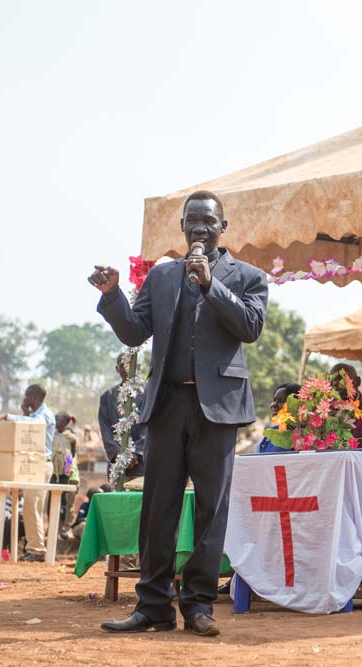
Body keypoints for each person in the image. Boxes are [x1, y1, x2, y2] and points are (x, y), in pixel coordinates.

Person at [89, 190, 268, 637]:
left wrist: (210, 285)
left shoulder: (248, 277)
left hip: (219, 409)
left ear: (223, 227)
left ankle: (199, 606)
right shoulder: (163, 276)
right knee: (158, 508)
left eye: (209, 221)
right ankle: (153, 606)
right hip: (168, 404)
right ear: (182, 226)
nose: (200, 228)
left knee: (211, 510)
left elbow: (250, 327)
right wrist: (113, 297)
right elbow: (135, 332)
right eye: (193, 220)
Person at [0, 384, 55, 561]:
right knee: (30, 508)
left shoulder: (45, 415)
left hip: (41, 464)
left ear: (33, 396)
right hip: (33, 465)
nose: (24, 399)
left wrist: (6, 416)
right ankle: (34, 548)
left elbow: (35, 425)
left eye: (26, 396)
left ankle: (37, 550)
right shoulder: (34, 415)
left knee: (32, 507)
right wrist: (24, 413)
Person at [98, 353, 147, 480]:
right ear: (117, 369)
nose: (127, 368)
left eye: (131, 364)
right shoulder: (107, 397)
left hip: (143, 465)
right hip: (118, 467)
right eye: (123, 365)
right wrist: (117, 454)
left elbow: (151, 426)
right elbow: (105, 429)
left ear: (138, 367)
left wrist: (136, 453)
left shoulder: (150, 393)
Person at [51, 412, 80, 538]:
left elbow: (71, 455)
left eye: (58, 420)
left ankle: (62, 527)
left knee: (64, 500)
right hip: (53, 471)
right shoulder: (52, 434)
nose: (55, 422)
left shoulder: (71, 437)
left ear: (64, 423)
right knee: (51, 498)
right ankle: (52, 526)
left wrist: (67, 468)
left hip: (65, 471)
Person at [259, 383, 301, 452]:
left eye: (281, 401)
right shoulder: (271, 434)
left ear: (295, 405)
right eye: (274, 400)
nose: (274, 405)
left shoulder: (304, 435)